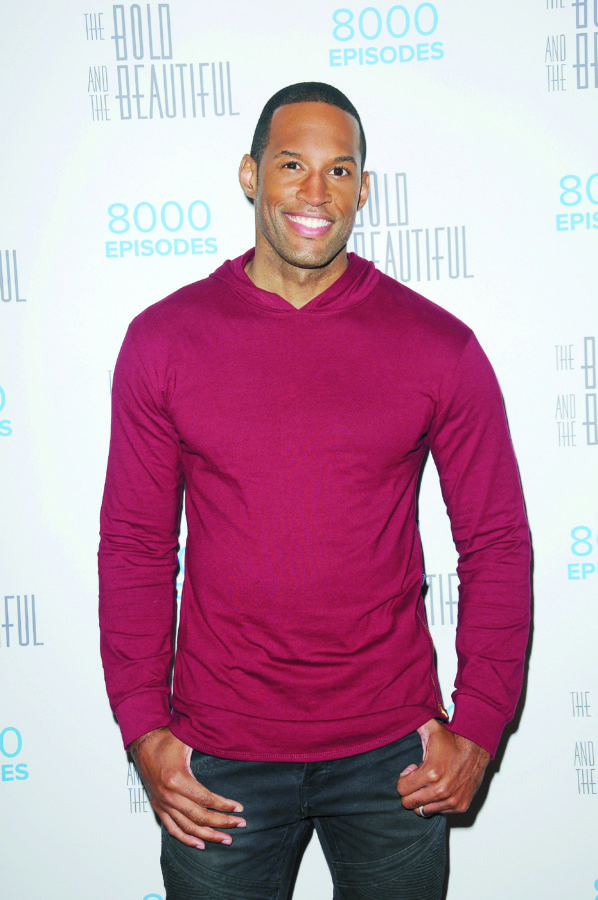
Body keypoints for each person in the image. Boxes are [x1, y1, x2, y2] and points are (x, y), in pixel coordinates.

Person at [99, 82, 531, 899]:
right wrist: (143, 726)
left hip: (393, 757)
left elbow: (498, 542)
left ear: (364, 190)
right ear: (250, 175)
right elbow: (135, 547)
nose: (316, 192)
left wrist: (479, 724)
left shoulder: (439, 347)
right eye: (292, 164)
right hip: (218, 754)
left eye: (340, 171)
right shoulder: (164, 342)